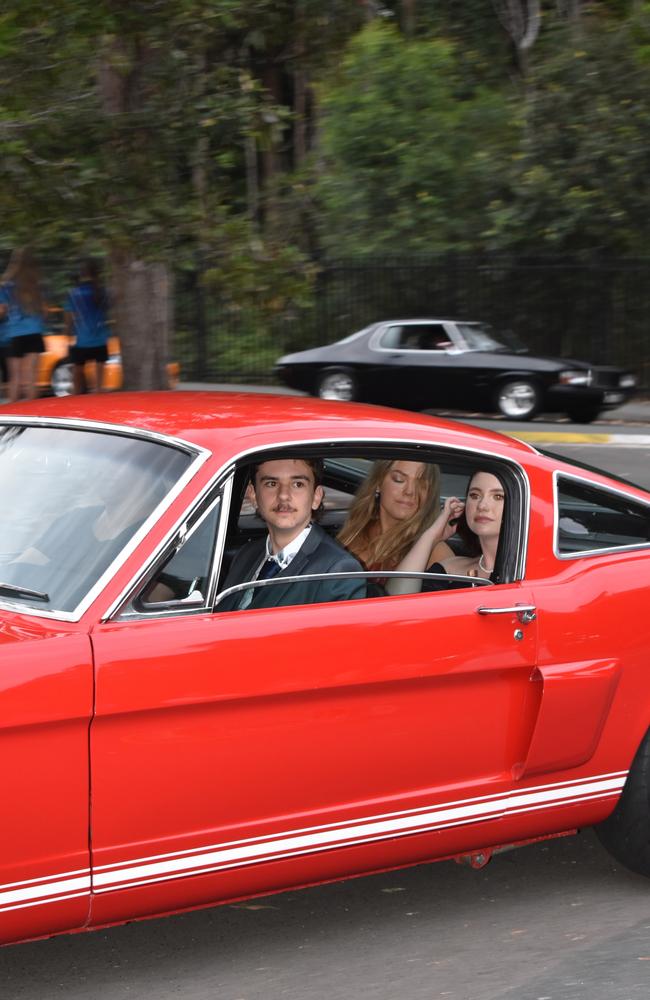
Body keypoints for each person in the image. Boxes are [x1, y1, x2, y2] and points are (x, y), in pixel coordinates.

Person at [219, 457, 366, 610]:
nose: (283, 495)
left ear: (316, 497)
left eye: (297, 484)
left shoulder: (338, 571)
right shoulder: (246, 555)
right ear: (253, 495)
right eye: (272, 483)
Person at [386, 470, 505, 595]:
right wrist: (431, 536)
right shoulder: (449, 568)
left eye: (498, 497)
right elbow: (394, 602)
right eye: (475, 495)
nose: (482, 505)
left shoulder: (526, 576)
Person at [337, 459, 453, 574]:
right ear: (378, 483)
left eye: (421, 483)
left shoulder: (434, 550)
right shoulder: (355, 531)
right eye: (399, 479)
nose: (410, 491)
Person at [0, 248, 46, 403]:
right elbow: (44, 311)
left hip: (14, 334)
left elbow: (2, 311)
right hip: (34, 332)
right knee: (32, 376)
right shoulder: (36, 284)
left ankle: (13, 413)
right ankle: (32, 412)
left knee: (15, 377)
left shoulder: (7, 286)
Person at [63, 258, 110, 394]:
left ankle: (77, 402)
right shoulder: (102, 291)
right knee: (100, 386)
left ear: (81, 273)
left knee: (77, 375)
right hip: (100, 338)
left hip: (81, 341)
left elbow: (69, 318)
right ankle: (99, 403)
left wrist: (67, 333)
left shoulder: (73, 293)